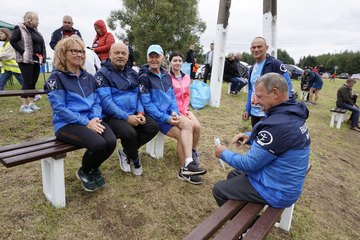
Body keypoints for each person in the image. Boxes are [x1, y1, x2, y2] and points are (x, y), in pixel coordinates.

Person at [213, 72, 310, 208]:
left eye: (259, 96)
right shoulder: (292, 113)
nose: (255, 101)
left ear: (275, 93)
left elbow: (249, 164)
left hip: (277, 191)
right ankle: (242, 214)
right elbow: (279, 142)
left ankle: (248, 228)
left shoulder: (279, 125)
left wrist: (223, 153)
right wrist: (251, 137)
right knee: (233, 175)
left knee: (219, 190)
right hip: (284, 181)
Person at [44, 36, 116, 192]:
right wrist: (85, 122)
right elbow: (60, 109)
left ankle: (91, 167)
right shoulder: (56, 78)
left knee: (110, 141)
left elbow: (96, 101)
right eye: (74, 51)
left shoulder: (88, 77)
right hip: (67, 123)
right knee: (98, 144)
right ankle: (84, 170)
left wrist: (95, 117)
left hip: (90, 120)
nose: (80, 55)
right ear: (63, 54)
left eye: (82, 51)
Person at [139, 44, 206, 185]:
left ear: (162, 58)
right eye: (151, 56)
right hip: (157, 118)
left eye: (157, 56)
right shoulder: (144, 77)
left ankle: (188, 162)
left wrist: (175, 112)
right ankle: (184, 170)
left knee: (189, 124)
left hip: (170, 114)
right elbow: (148, 105)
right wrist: (166, 118)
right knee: (181, 133)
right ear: (147, 58)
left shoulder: (166, 75)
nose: (154, 59)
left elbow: (172, 98)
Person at [95, 42, 159, 176]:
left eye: (123, 53)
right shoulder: (102, 74)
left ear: (128, 55)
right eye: (117, 53)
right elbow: (107, 103)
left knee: (153, 126)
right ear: (110, 54)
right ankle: (134, 158)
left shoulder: (132, 73)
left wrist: (140, 112)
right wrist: (127, 117)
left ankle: (125, 152)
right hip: (112, 116)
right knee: (129, 132)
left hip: (133, 112)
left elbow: (139, 96)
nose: (120, 56)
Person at [242, 36, 293, 127]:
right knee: (257, 137)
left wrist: (282, 111)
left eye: (259, 46)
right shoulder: (252, 68)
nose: (256, 49)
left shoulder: (275, 64)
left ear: (266, 48)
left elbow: (287, 87)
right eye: (254, 47)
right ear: (250, 49)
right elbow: (251, 90)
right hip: (255, 112)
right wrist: (247, 109)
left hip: (270, 113)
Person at [169, 51, 202, 166]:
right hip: (173, 110)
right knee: (190, 125)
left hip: (184, 108)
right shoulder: (167, 78)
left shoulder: (186, 77)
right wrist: (179, 110)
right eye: (175, 60)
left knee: (197, 126)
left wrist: (185, 108)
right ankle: (186, 161)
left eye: (179, 61)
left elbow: (187, 94)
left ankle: (192, 150)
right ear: (170, 62)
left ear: (182, 63)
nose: (177, 63)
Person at [10, 11, 46, 113]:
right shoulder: (20, 29)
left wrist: (43, 57)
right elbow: (13, 41)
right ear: (30, 19)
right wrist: (22, 51)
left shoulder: (36, 31)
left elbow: (41, 45)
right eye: (37, 19)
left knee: (33, 82)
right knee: (27, 82)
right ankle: (24, 106)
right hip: (25, 60)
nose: (38, 22)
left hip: (36, 60)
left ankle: (31, 103)